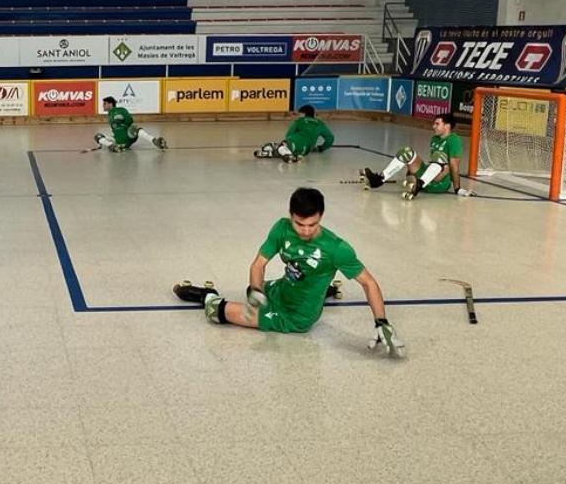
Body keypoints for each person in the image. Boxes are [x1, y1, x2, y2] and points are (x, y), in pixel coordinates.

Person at [175, 187, 404, 357]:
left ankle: (207, 295)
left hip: (296, 316)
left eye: (312, 225)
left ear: (321, 217)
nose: (305, 230)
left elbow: (369, 283)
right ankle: (325, 289)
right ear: (290, 215)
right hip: (280, 290)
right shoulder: (281, 228)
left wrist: (381, 322)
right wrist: (256, 290)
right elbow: (258, 265)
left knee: (215, 311)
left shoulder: (337, 249)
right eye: (299, 224)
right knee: (249, 290)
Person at [361, 113, 471, 200]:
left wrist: (458, 189)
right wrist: (412, 168)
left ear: (447, 126)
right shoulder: (435, 139)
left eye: (437, 124)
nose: (433, 126)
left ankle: (419, 184)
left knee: (438, 156)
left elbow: (454, 166)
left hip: (440, 182)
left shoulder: (454, 140)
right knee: (406, 152)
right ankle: (378, 180)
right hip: (431, 174)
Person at [254, 105, 334, 162]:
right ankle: (282, 152)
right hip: (306, 150)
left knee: (283, 145)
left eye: (300, 114)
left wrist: (289, 141)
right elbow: (330, 138)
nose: (298, 116)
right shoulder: (319, 123)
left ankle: (285, 153)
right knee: (285, 147)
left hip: (295, 142)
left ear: (303, 114)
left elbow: (288, 135)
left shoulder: (299, 121)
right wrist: (321, 148)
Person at [93, 96, 167, 152]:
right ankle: (113, 146)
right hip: (118, 139)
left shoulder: (120, 110)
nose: (103, 105)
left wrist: (120, 119)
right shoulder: (109, 114)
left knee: (134, 128)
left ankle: (155, 141)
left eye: (105, 103)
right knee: (97, 136)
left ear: (110, 104)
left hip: (128, 136)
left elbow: (130, 120)